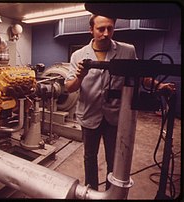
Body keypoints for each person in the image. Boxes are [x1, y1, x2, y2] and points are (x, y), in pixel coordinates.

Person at [65, 14, 175, 191]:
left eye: (110, 28)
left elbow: (141, 76)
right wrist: (80, 76)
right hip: (89, 114)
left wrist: (160, 85)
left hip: (114, 116)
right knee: (89, 157)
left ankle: (111, 192)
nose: (106, 33)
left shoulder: (127, 50)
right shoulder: (78, 55)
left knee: (115, 159)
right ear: (91, 30)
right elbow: (70, 87)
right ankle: (91, 190)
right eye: (101, 29)